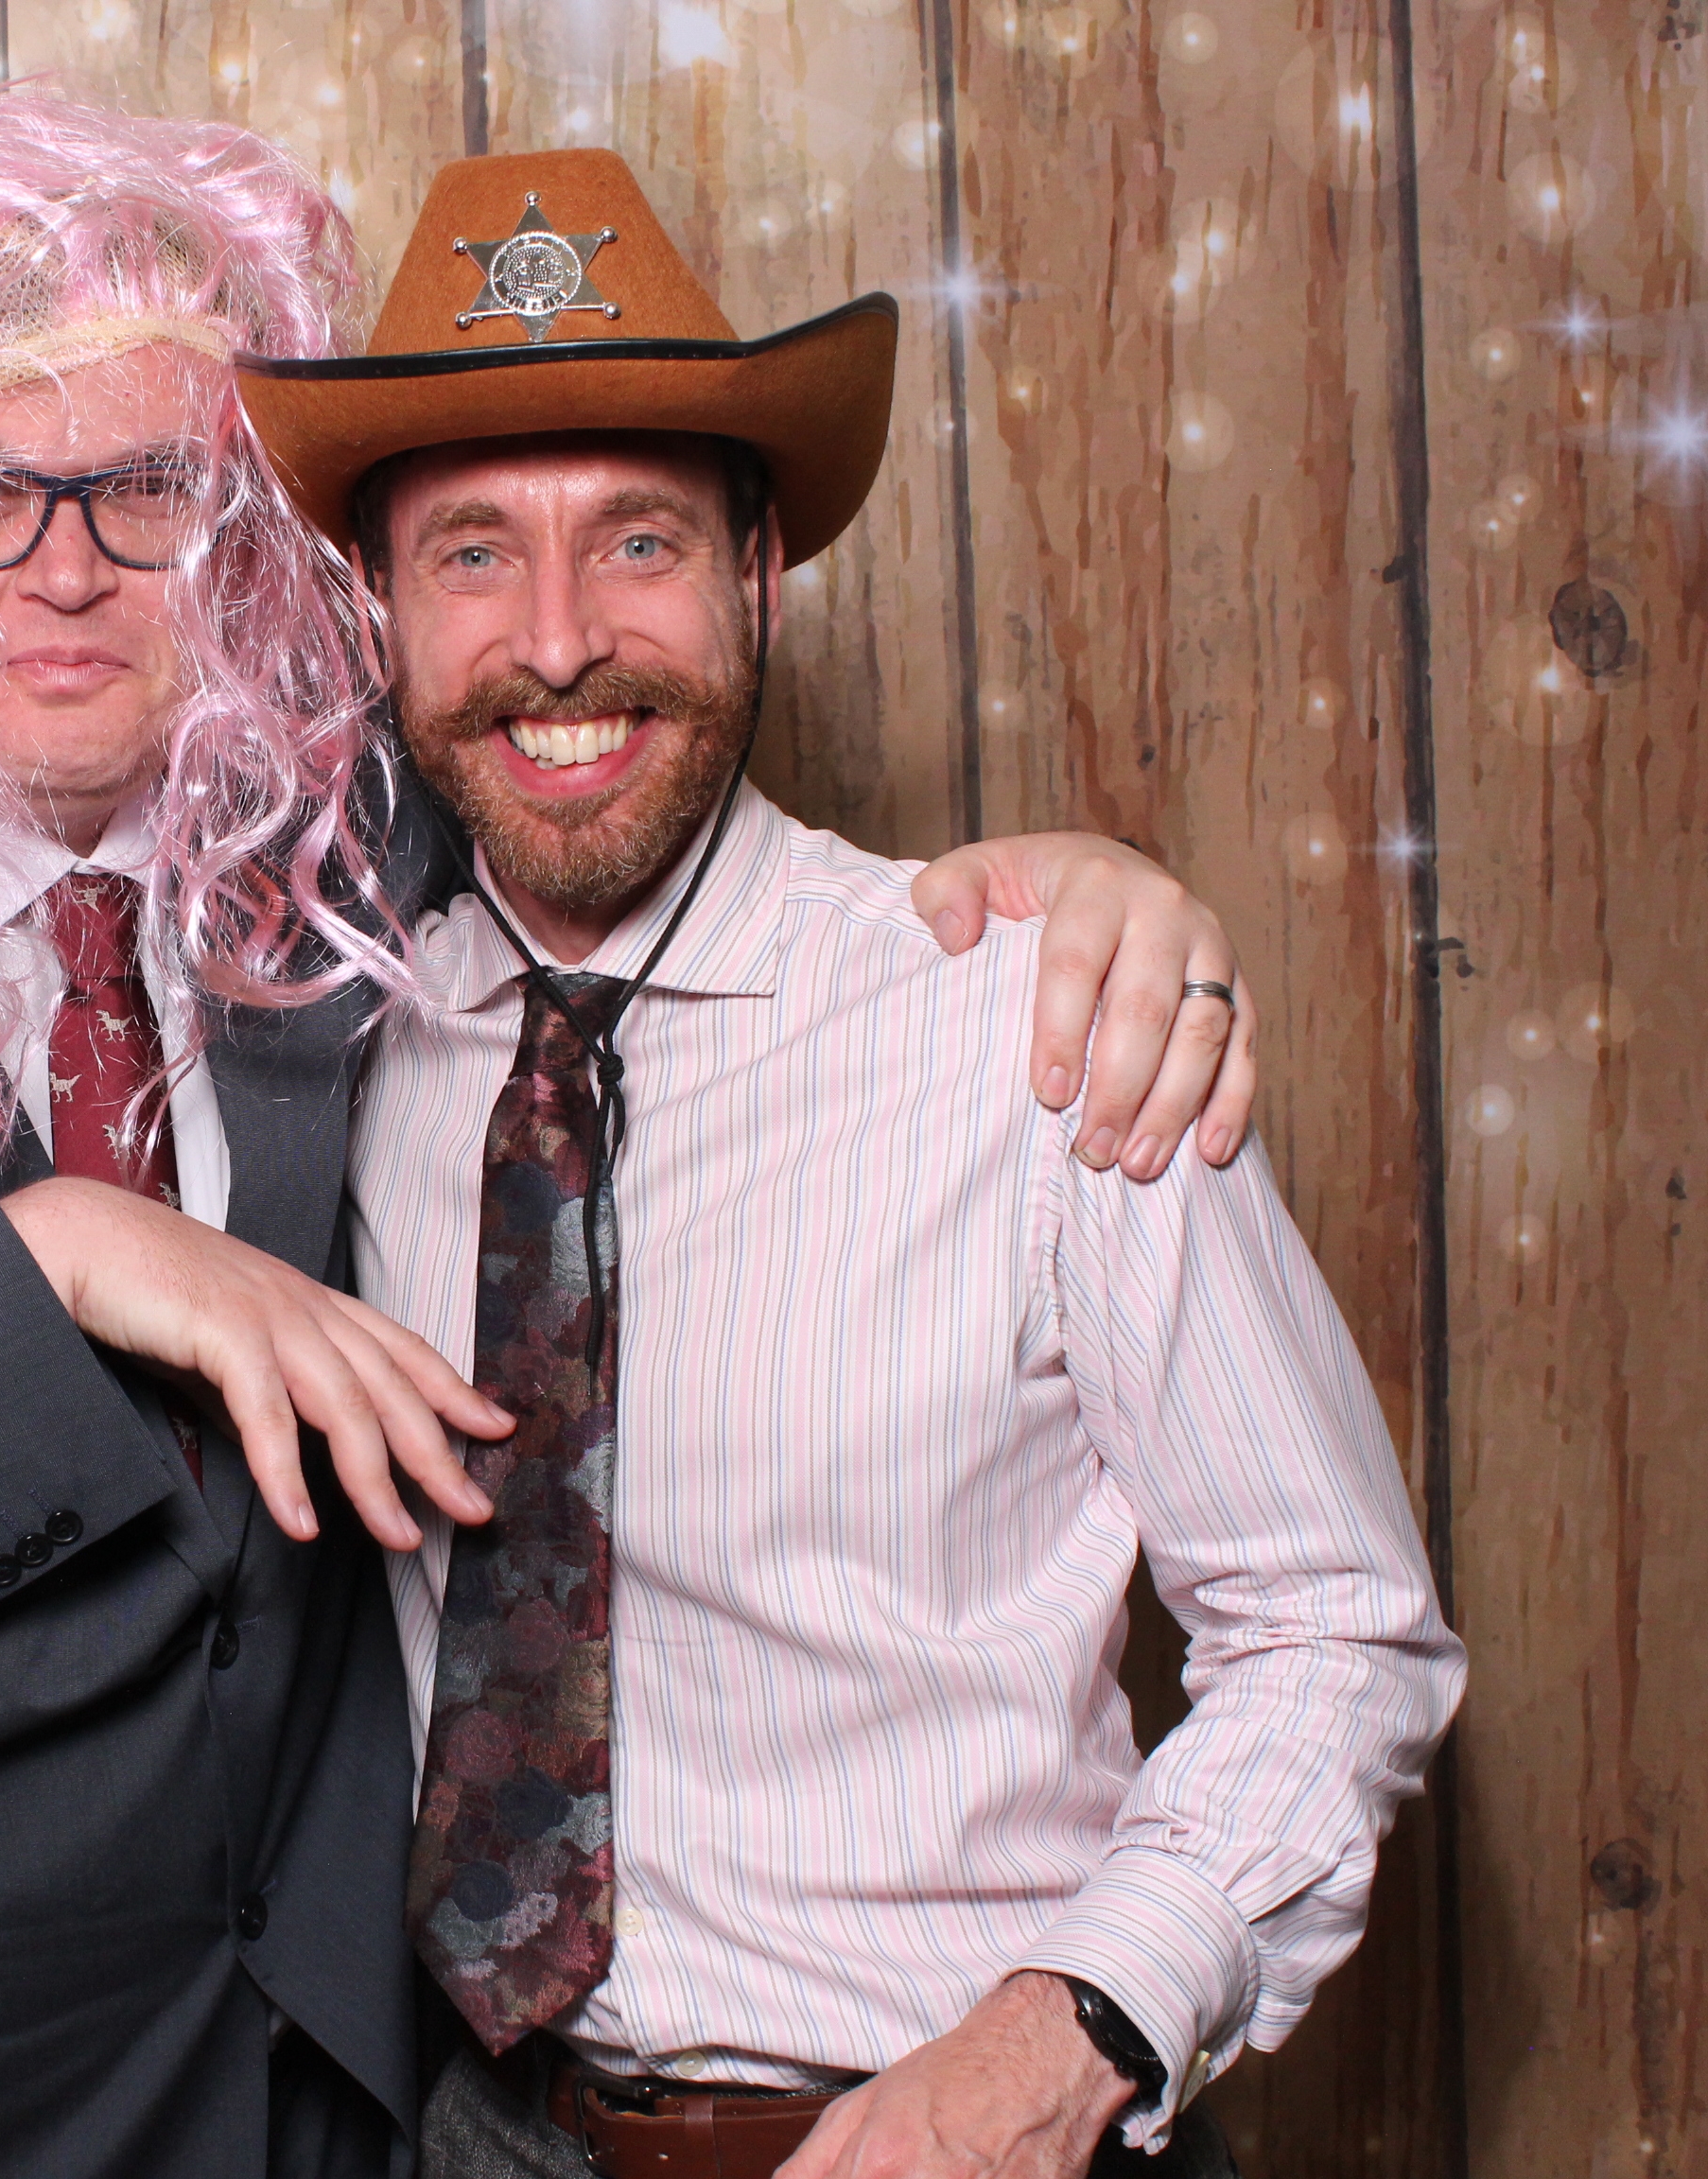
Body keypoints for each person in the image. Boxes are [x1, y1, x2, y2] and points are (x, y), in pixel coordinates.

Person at [0, 97, 1258, 2179]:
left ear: (248, 537)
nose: (67, 568)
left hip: (309, 2113)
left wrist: (1080, 897)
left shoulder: (334, 873)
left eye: (149, 486)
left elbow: (592, 757)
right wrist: (51, 1263)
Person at [234, 149, 1465, 2179]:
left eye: (638, 540)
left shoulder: (1041, 1028)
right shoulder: (332, 1042)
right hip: (479, 2132)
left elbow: (1336, 1622)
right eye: (472, 553)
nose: (558, 642)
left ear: (762, 580)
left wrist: (1080, 2028)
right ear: (383, 610)